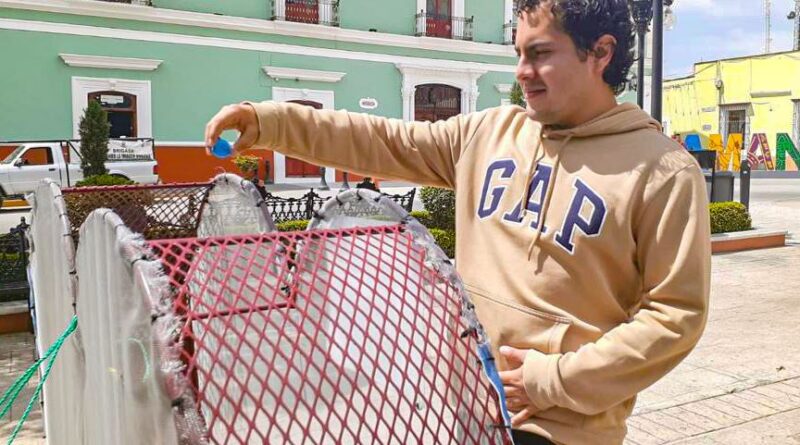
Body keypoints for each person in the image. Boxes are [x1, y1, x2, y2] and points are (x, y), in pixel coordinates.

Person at [204, 1, 711, 443]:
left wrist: (553, 380)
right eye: (518, 53)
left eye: (540, 54)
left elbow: (675, 316)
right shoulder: (487, 134)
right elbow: (383, 141)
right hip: (465, 409)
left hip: (561, 428)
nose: (522, 72)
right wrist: (270, 122)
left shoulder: (662, 171)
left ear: (600, 52)